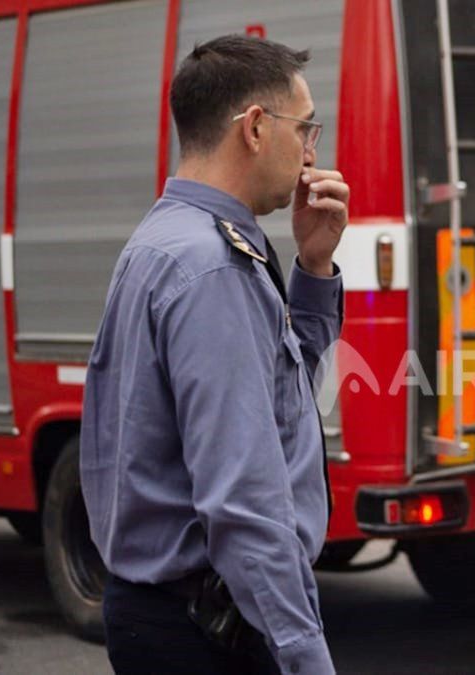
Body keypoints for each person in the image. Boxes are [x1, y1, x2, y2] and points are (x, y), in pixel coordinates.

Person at [81, 35, 348, 674]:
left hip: (174, 616)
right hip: (207, 629)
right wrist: (305, 656)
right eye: (305, 128)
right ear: (255, 128)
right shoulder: (213, 267)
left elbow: (283, 405)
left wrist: (314, 266)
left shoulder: (171, 238)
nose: (312, 152)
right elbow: (245, 502)